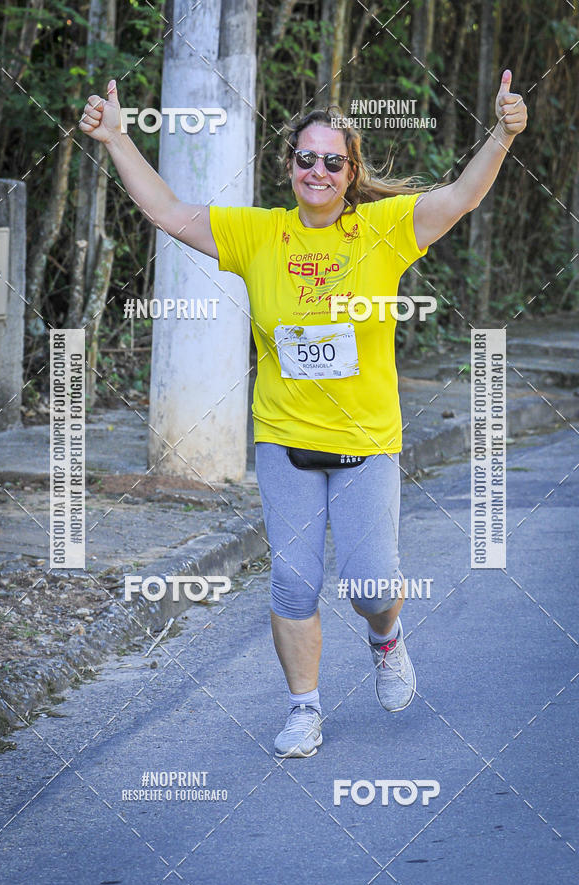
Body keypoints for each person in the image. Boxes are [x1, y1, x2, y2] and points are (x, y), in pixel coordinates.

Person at [80, 69, 527, 758]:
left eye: (332, 162)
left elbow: (462, 196)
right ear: (289, 166)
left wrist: (501, 133)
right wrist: (115, 137)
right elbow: (167, 211)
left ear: (351, 174)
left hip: (366, 439)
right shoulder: (258, 234)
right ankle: (303, 709)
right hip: (284, 438)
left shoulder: (383, 229)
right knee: (292, 581)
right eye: (305, 158)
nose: (317, 171)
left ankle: (386, 638)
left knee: (371, 584)